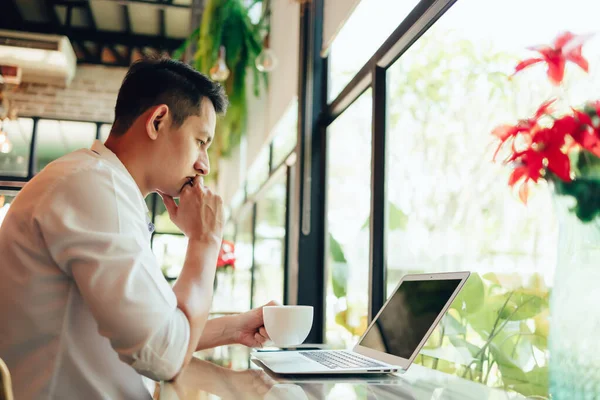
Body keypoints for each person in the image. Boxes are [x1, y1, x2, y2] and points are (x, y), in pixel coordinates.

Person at [0, 58, 273, 399]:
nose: (203, 165)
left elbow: (151, 328)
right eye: (201, 142)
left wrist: (235, 328)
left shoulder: (99, 184)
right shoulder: (94, 189)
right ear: (158, 121)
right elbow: (165, 357)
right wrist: (205, 240)